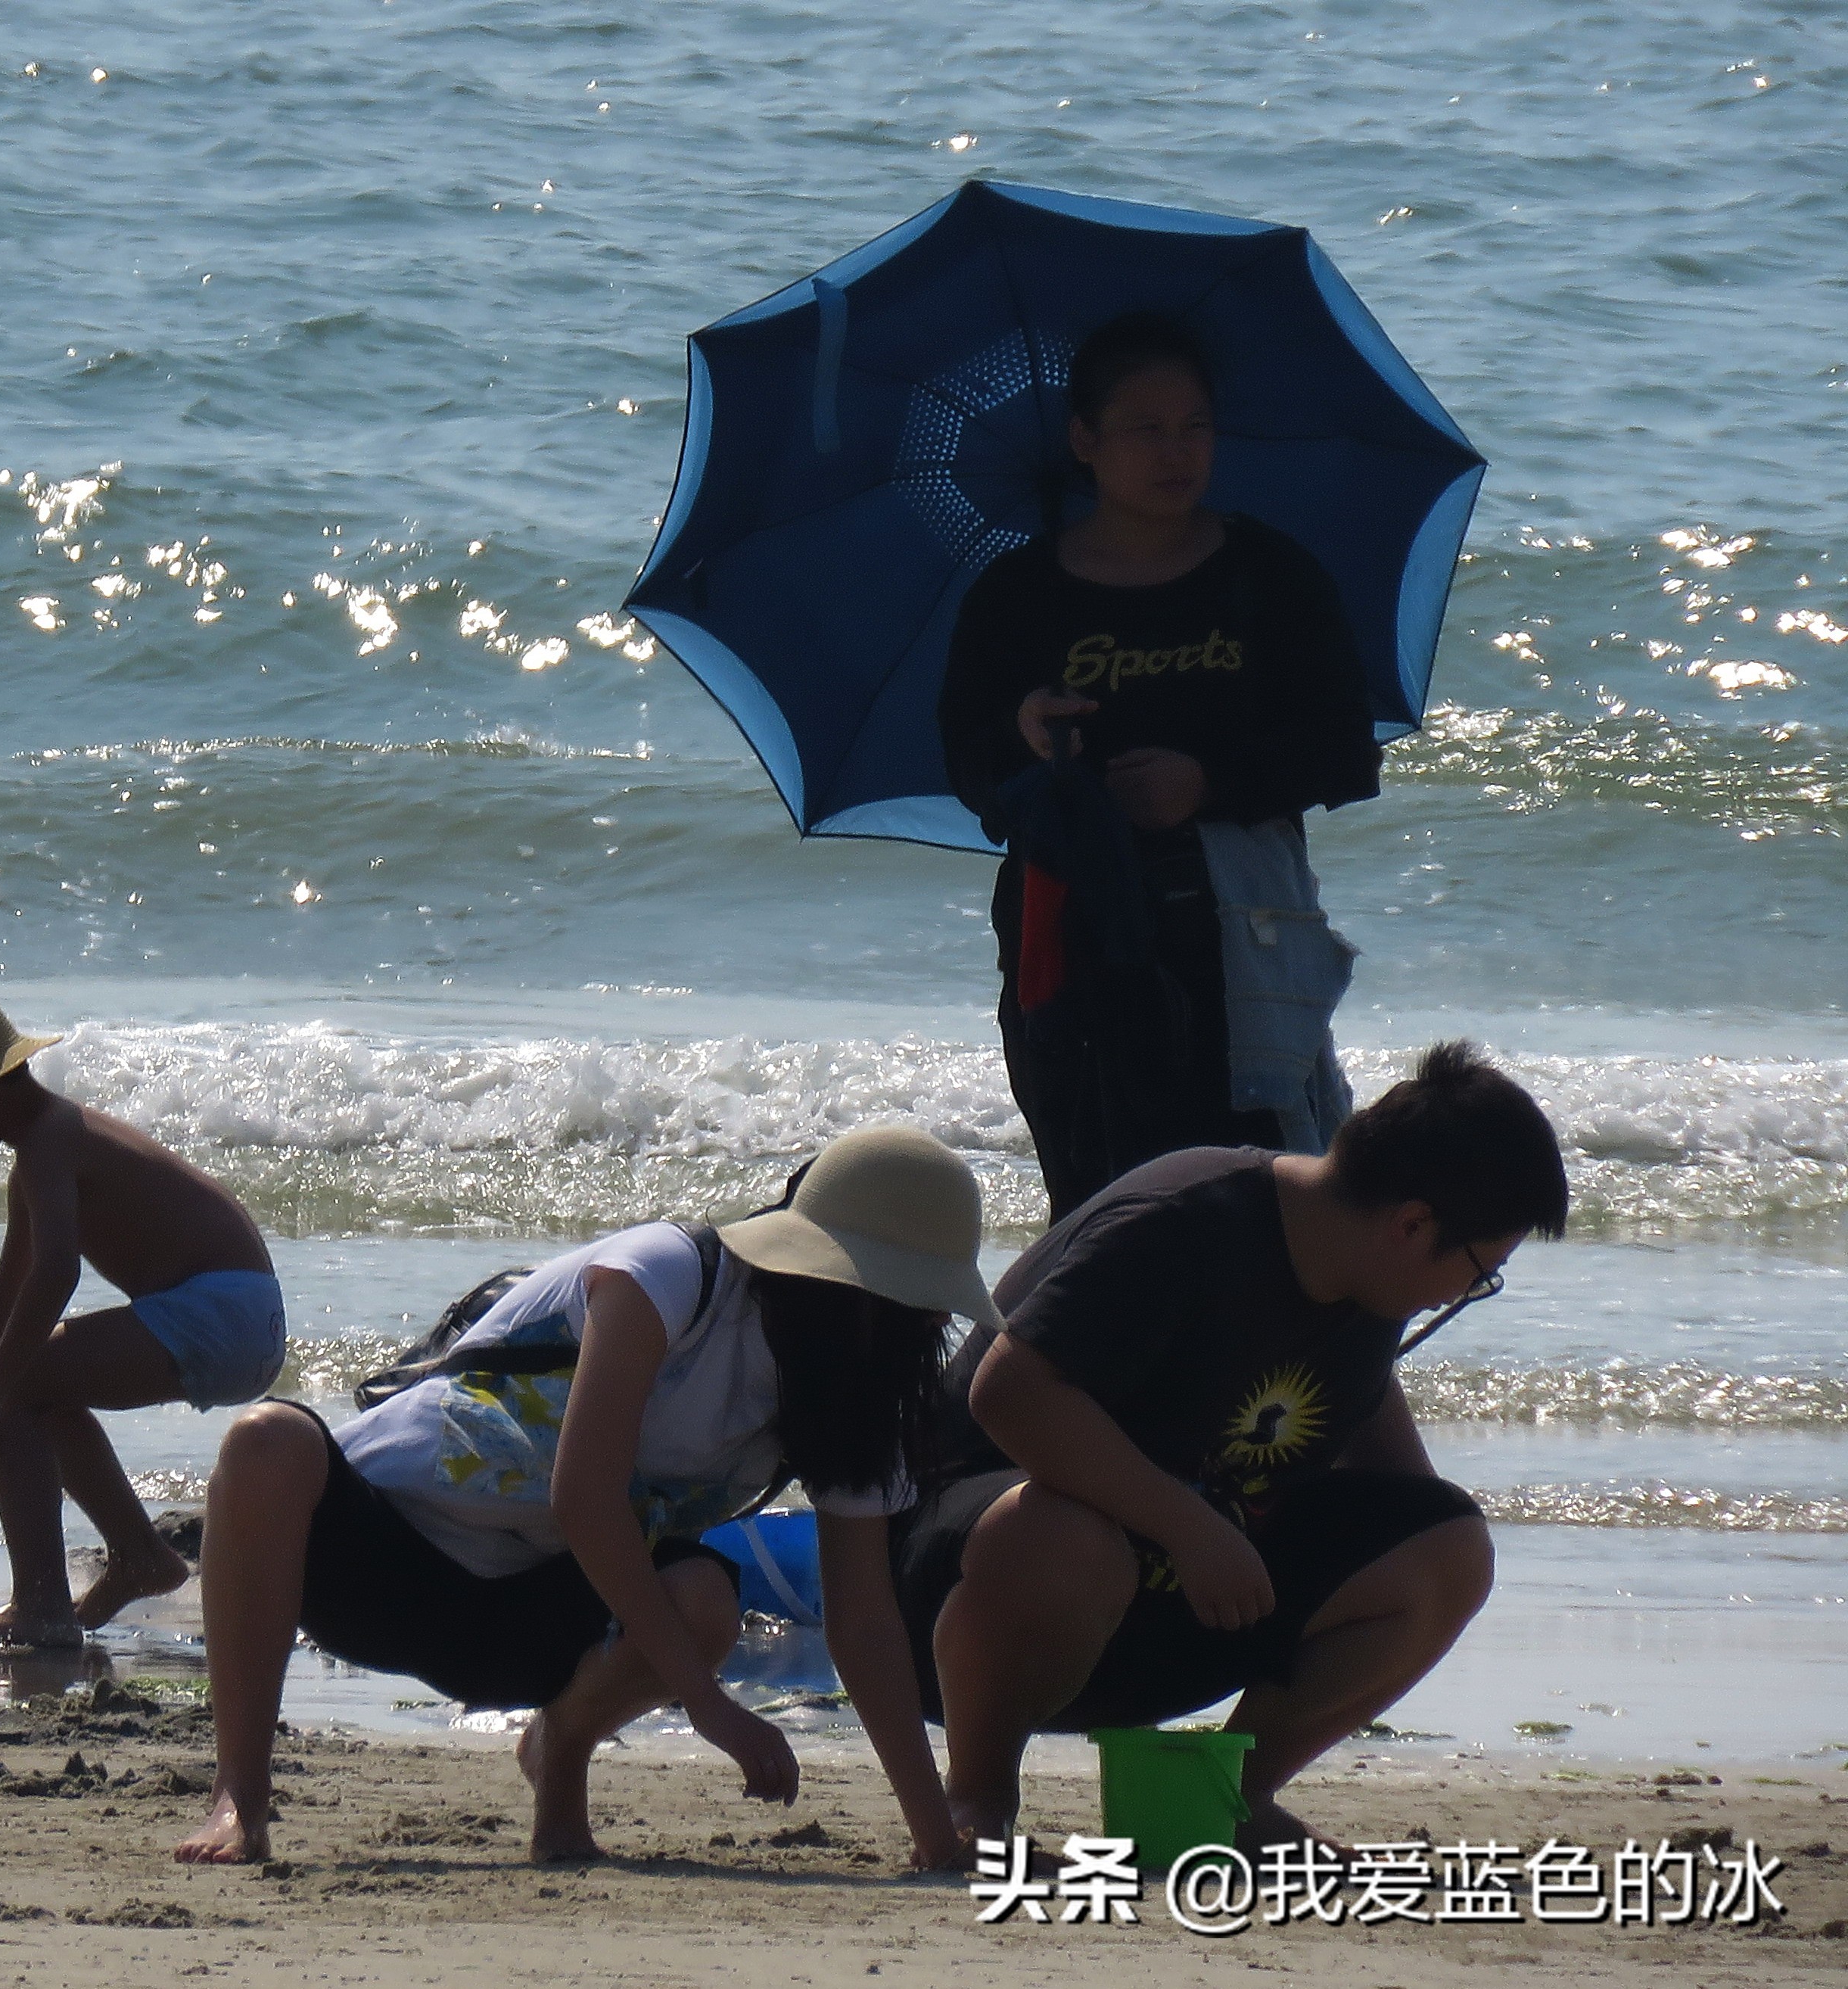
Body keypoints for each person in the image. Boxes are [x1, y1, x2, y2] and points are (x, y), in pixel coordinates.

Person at [173, 1125, 997, 1869]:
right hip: (376, 1565)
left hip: (532, 1622)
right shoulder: (669, 1277)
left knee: (705, 1596)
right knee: (266, 1441)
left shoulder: (855, 1396)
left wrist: (933, 1835)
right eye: (911, 1300)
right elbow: (587, 1498)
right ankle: (240, 1799)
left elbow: (864, 1621)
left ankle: (559, 1755)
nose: (929, 1329)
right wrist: (710, 1706)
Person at [900, 1042, 1569, 1852]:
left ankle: (1227, 1794)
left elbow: (1407, 1510)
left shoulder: (1366, 1291)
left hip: (1172, 1603)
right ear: (1413, 1223)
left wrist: (1412, 1587)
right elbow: (1008, 1393)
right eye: (1479, 1271)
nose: (1466, 1294)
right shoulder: (1185, 1223)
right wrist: (1188, 1525)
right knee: (1062, 1532)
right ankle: (978, 1794)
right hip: (974, 1593)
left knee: (1450, 1550)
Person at [936, 311, 1384, 1220]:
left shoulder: (1269, 576)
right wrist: (1024, 734)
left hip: (1238, 928)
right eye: (1147, 430)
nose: (1177, 453)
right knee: (1098, 1201)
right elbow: (971, 771)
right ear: (1085, 442)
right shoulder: (1017, 595)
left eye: (1196, 428)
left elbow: (1343, 750)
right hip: (1067, 934)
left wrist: (1206, 786)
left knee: (1255, 1195)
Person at [0, 969, 284, 1650]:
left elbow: (56, 1272)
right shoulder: (45, 1144)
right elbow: (6, 1297)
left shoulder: (48, 1141)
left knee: (18, 1387)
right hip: (243, 1319)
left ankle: (41, 1605)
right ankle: (140, 1559)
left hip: (221, 1312)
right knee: (31, 1384)